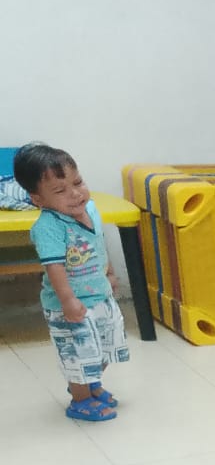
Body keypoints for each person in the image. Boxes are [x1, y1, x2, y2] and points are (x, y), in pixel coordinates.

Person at [15, 143, 128, 423]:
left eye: (77, 182)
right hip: (69, 305)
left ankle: (92, 384)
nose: (75, 193)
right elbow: (54, 266)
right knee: (79, 354)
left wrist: (109, 272)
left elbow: (98, 243)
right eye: (60, 190)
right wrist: (67, 300)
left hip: (99, 295)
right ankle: (80, 399)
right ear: (38, 199)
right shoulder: (48, 227)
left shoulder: (91, 209)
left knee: (105, 346)